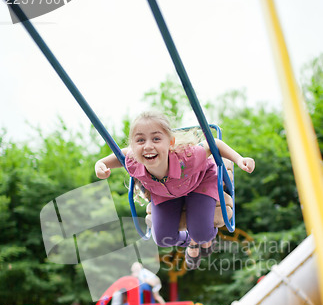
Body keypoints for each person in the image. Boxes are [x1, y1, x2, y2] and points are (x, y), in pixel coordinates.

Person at [95, 111, 255, 269]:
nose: (148, 146)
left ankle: (201, 239)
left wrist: (240, 159)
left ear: (171, 142)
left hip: (198, 182)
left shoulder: (187, 157)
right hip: (164, 193)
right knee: (163, 239)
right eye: (140, 140)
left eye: (156, 139)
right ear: (133, 146)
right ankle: (190, 241)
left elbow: (213, 144)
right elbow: (120, 154)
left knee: (202, 234)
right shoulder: (133, 160)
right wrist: (101, 163)